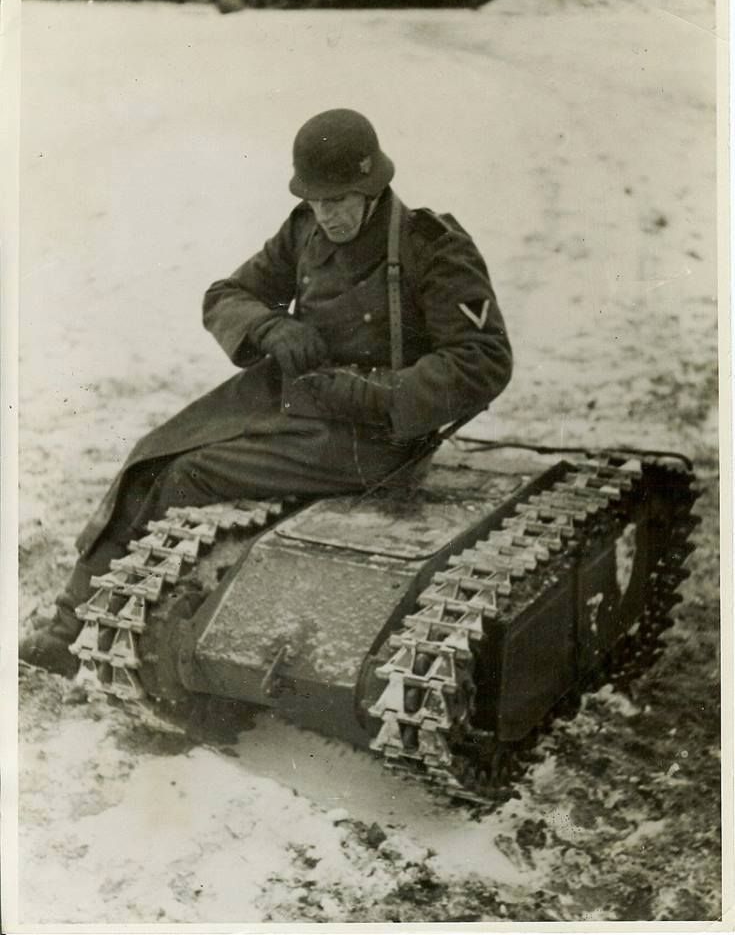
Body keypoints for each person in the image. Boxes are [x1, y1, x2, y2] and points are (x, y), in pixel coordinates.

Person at [19, 107, 513, 677]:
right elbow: (227, 293)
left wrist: (375, 394)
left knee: (188, 474)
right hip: (295, 396)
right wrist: (271, 326)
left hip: (375, 434)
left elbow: (483, 360)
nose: (327, 215)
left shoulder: (432, 246)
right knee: (151, 458)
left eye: (340, 200)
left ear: (373, 187)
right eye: (318, 200)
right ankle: (66, 624)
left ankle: (86, 629)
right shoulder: (304, 229)